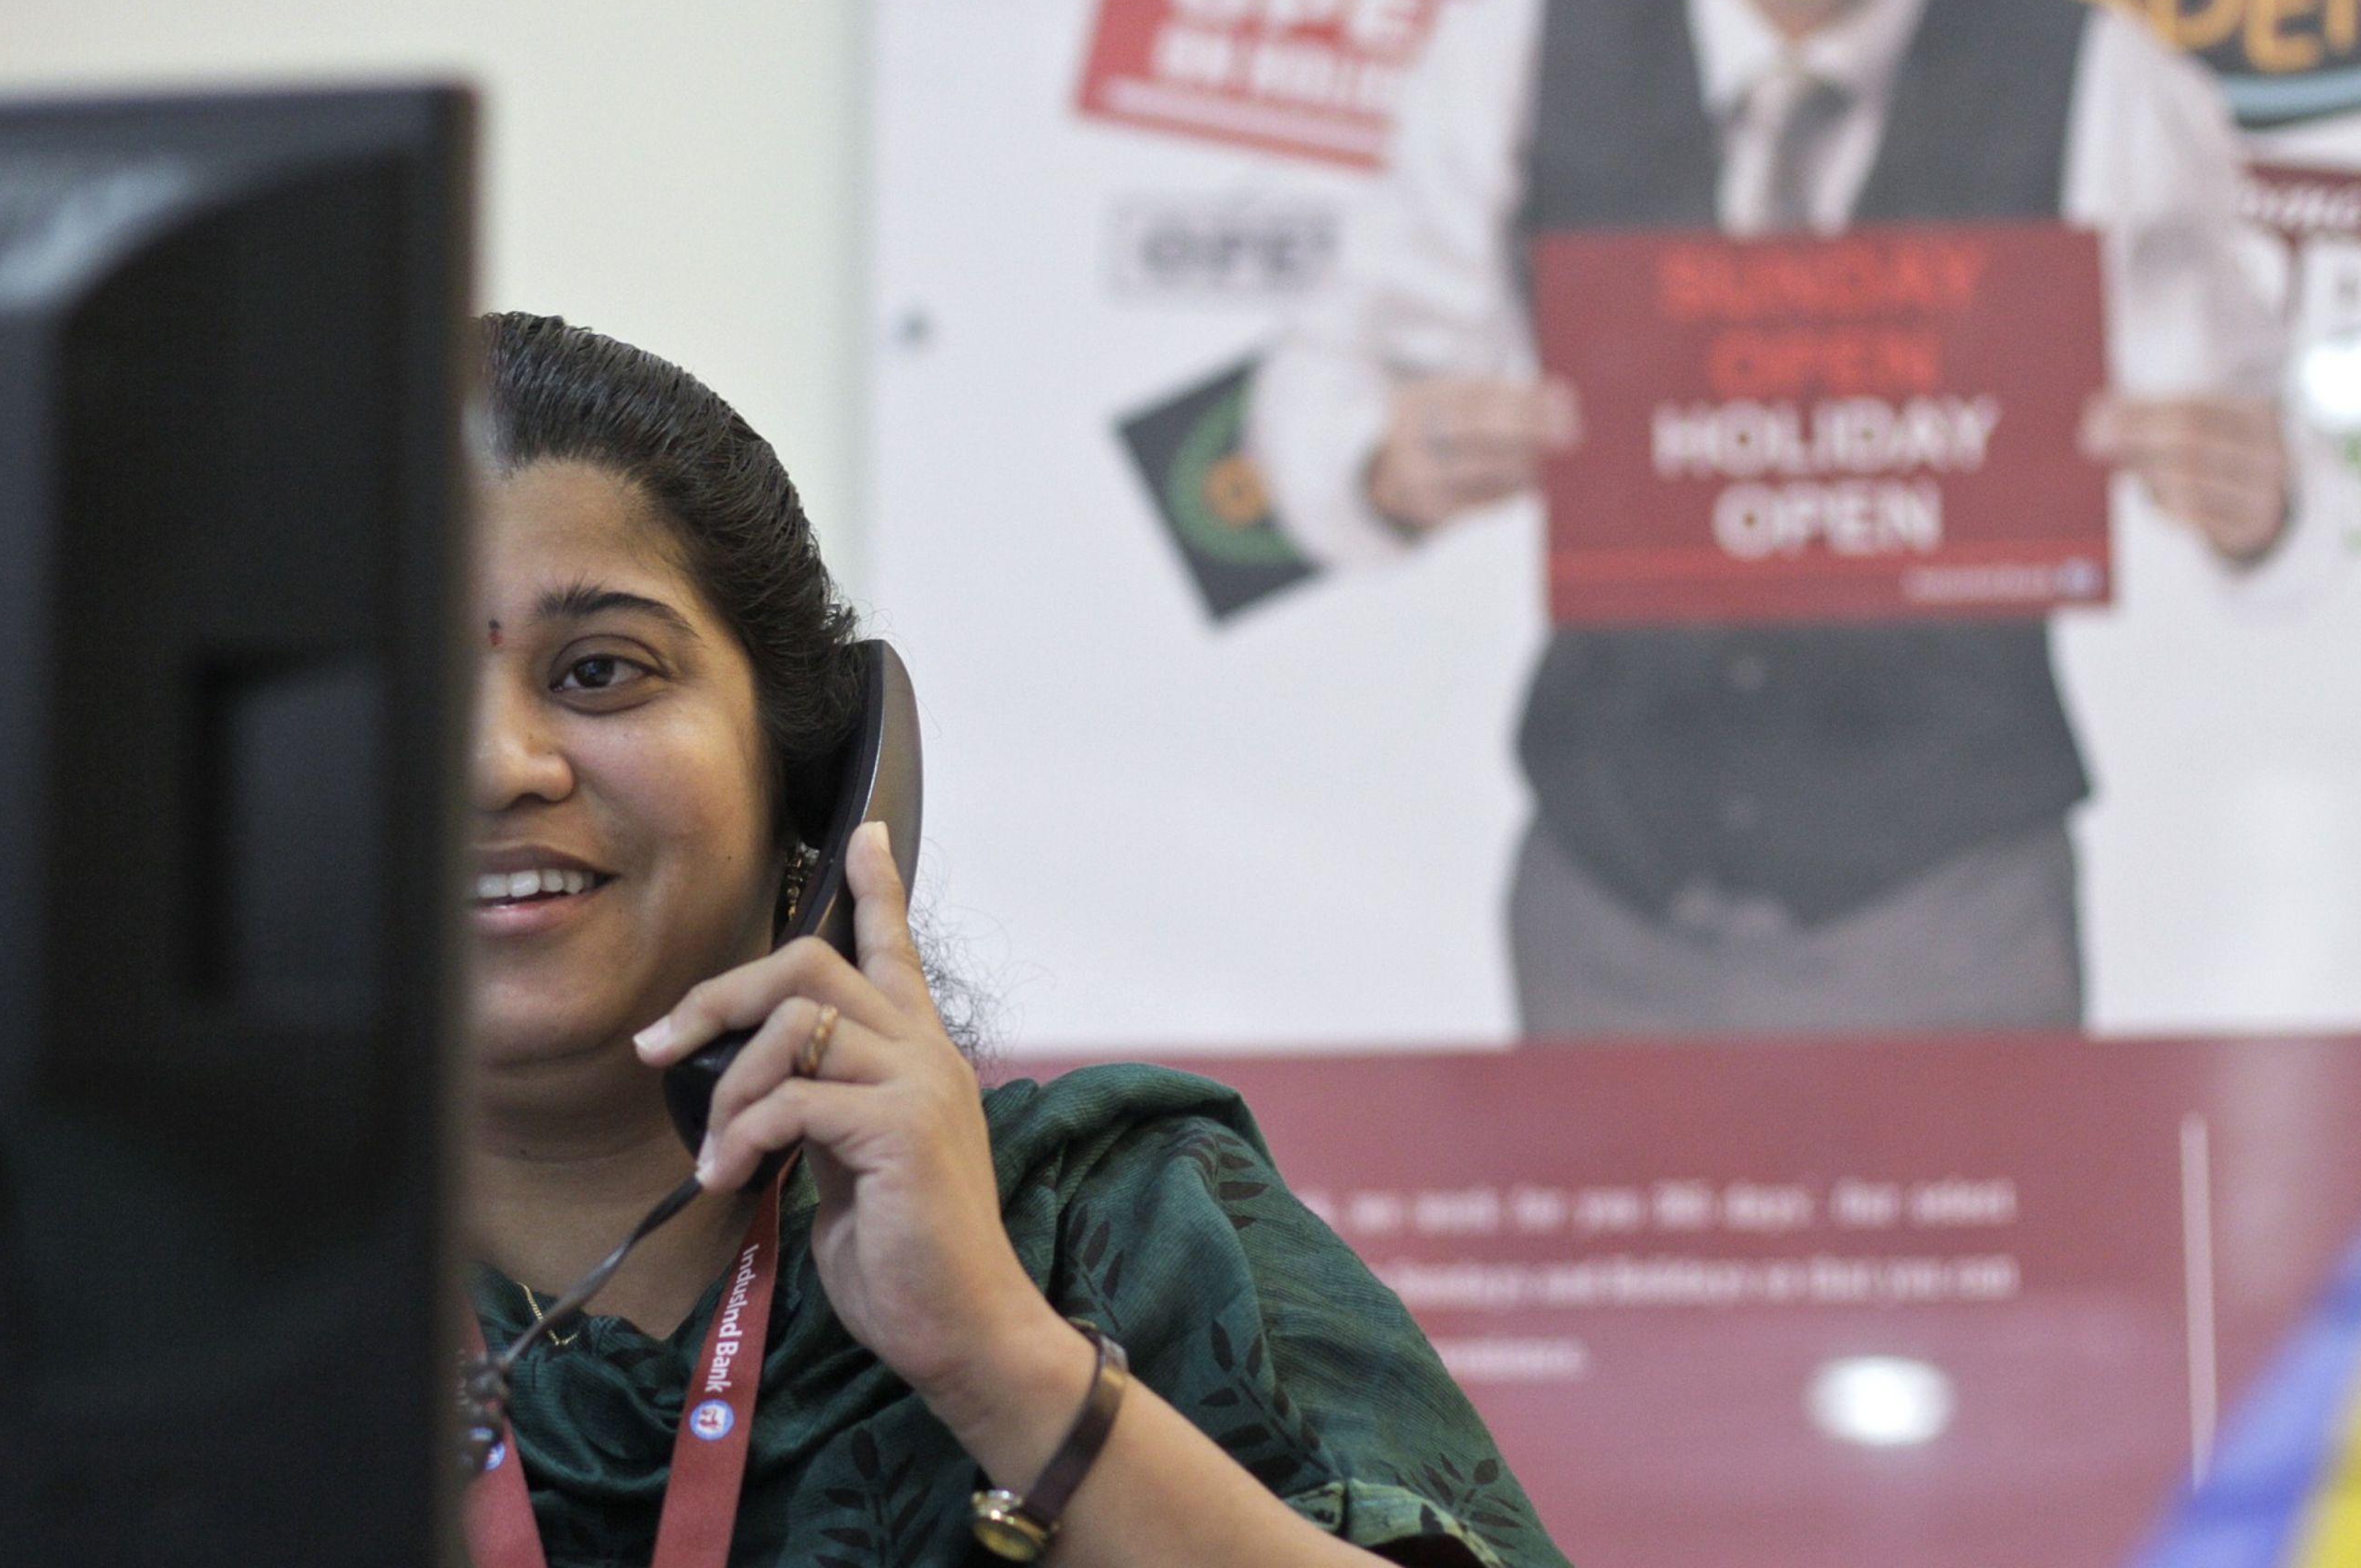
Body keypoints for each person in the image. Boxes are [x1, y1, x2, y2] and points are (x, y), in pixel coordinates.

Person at [463, 312, 1568, 1566]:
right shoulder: (263, 1294)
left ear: (812, 777)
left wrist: (996, 1355)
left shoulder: (1119, 1233)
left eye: (600, 671)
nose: (497, 766)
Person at [1249, 0, 2296, 1039]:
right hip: (1607, 896)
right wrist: (1385, 463)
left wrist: (2260, 499)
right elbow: (1329, 375)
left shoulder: (2100, 78)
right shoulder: (1518, 47)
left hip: (1955, 904)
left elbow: (2275, 430)